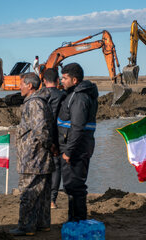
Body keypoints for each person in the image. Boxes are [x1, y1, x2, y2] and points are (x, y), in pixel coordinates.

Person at [10, 72, 55, 236]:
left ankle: (26, 227)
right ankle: (42, 224)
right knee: (42, 193)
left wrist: (49, 146)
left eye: (22, 84)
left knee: (28, 192)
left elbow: (41, 130)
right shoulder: (39, 102)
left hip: (33, 158)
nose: (19, 87)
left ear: (30, 86)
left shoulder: (34, 103)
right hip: (40, 157)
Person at [57, 63, 98, 222]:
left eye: (65, 78)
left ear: (75, 80)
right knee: (72, 185)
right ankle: (74, 219)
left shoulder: (79, 97)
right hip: (79, 147)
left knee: (75, 186)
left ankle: (78, 220)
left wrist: (68, 151)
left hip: (77, 149)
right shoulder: (76, 94)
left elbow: (77, 126)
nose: (62, 80)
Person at [40, 68, 66, 209]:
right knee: (56, 168)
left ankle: (41, 197)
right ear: (58, 80)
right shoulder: (62, 95)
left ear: (44, 81)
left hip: (41, 137)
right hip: (57, 137)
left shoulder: (38, 95)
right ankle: (51, 200)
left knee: (40, 168)